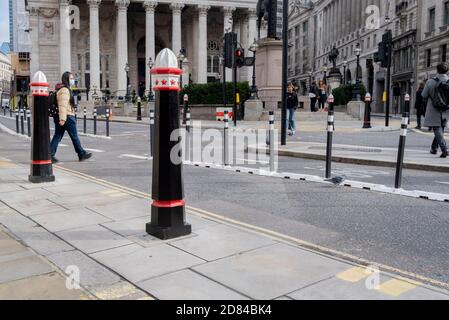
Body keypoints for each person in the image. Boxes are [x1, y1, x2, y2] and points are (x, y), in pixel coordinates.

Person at [50, 72, 92, 163]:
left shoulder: (63, 89)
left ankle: (49, 155)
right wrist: (62, 119)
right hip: (67, 117)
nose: (73, 80)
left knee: (57, 136)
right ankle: (81, 154)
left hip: (64, 116)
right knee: (74, 136)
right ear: (67, 79)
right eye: (71, 78)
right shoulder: (65, 90)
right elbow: (63, 105)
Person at [422, 62, 449, 158]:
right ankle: (434, 148)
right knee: (440, 129)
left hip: (434, 108)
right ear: (447, 71)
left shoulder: (430, 81)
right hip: (446, 109)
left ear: (437, 70)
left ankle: (444, 149)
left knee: (437, 129)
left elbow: (424, 95)